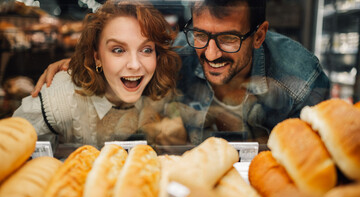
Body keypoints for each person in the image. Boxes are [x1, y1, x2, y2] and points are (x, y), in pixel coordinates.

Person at [30, 0, 330, 145]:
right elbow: (130, 58)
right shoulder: (179, 54)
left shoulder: (301, 81)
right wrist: (82, 60)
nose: (210, 55)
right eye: (200, 35)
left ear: (260, 35)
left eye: (228, 39)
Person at [13, 0, 185, 149]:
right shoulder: (61, 99)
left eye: (146, 50)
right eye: (118, 50)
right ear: (97, 57)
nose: (134, 65)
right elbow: (11, 145)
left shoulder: (160, 92)